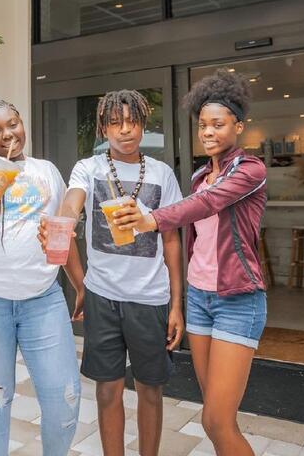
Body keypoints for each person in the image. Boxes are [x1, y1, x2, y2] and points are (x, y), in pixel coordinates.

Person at [116, 70, 267, 456]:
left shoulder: (250, 171)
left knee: (217, 420)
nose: (208, 132)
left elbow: (205, 205)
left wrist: (150, 219)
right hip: (201, 299)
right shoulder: (201, 176)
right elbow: (194, 234)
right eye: (203, 125)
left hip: (237, 300)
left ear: (239, 126)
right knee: (213, 420)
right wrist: (180, 302)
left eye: (218, 124)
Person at [41, 90, 185, 456]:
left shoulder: (161, 173)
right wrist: (64, 222)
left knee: (151, 389)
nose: (126, 130)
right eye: (116, 123)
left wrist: (176, 305)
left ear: (143, 125)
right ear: (104, 127)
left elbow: (171, 241)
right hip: (103, 296)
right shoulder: (88, 168)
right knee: (108, 390)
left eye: (133, 122)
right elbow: (73, 201)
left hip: (150, 298)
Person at [0, 100, 84, 456]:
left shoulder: (47, 171)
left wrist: (80, 284)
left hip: (41, 299)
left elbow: (62, 232)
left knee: (65, 397)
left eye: (12, 124)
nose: (7, 134)